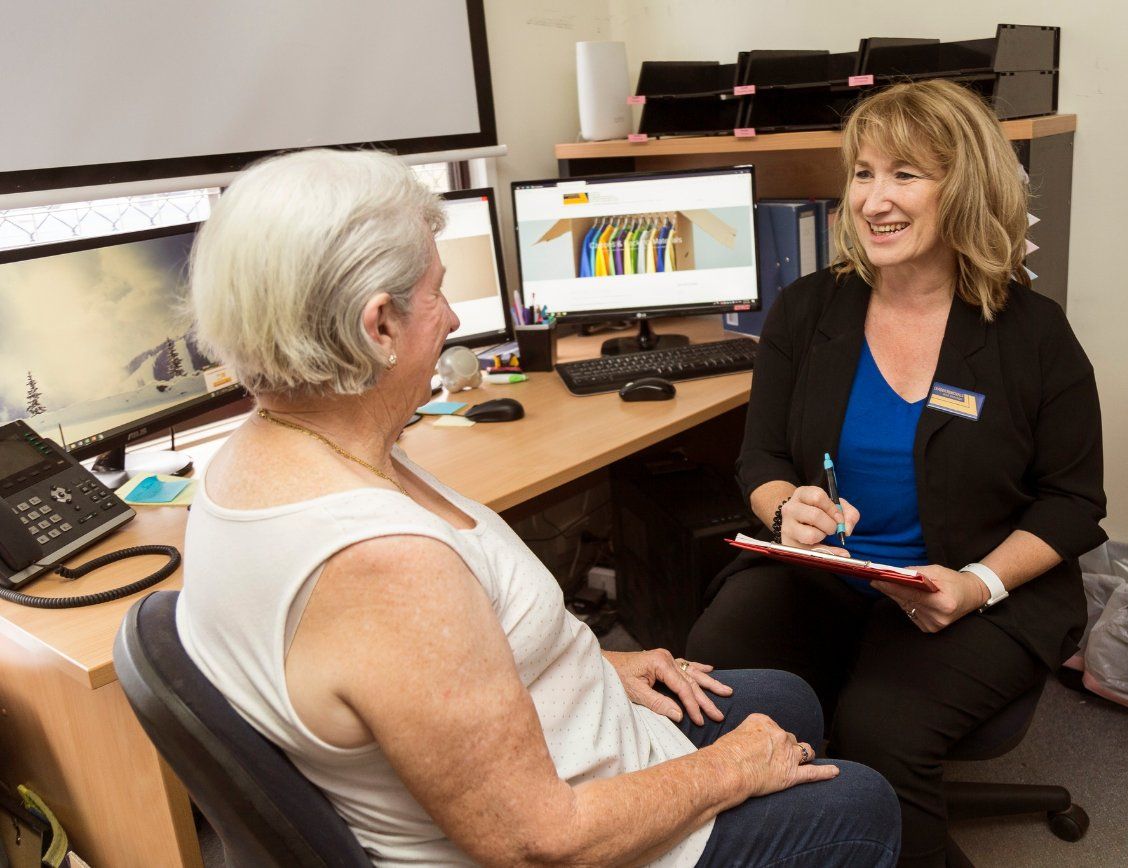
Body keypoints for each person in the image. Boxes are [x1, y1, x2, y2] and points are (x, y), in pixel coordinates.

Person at [176, 148, 900, 867]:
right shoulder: (382, 565)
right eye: (436, 292)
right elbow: (539, 842)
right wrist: (731, 771)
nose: (455, 316)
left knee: (786, 700)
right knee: (857, 801)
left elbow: (406, 676)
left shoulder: (254, 458)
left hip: (543, 754)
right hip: (569, 835)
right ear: (377, 326)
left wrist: (580, 662)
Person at [686, 80, 1106, 866]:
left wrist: (975, 582)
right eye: (861, 173)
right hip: (828, 574)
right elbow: (762, 459)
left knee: (882, 729)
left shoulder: (1031, 334)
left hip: (971, 591)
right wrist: (786, 511)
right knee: (717, 682)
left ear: (964, 188)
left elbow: (1073, 501)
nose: (873, 200)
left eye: (905, 175)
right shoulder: (807, 310)